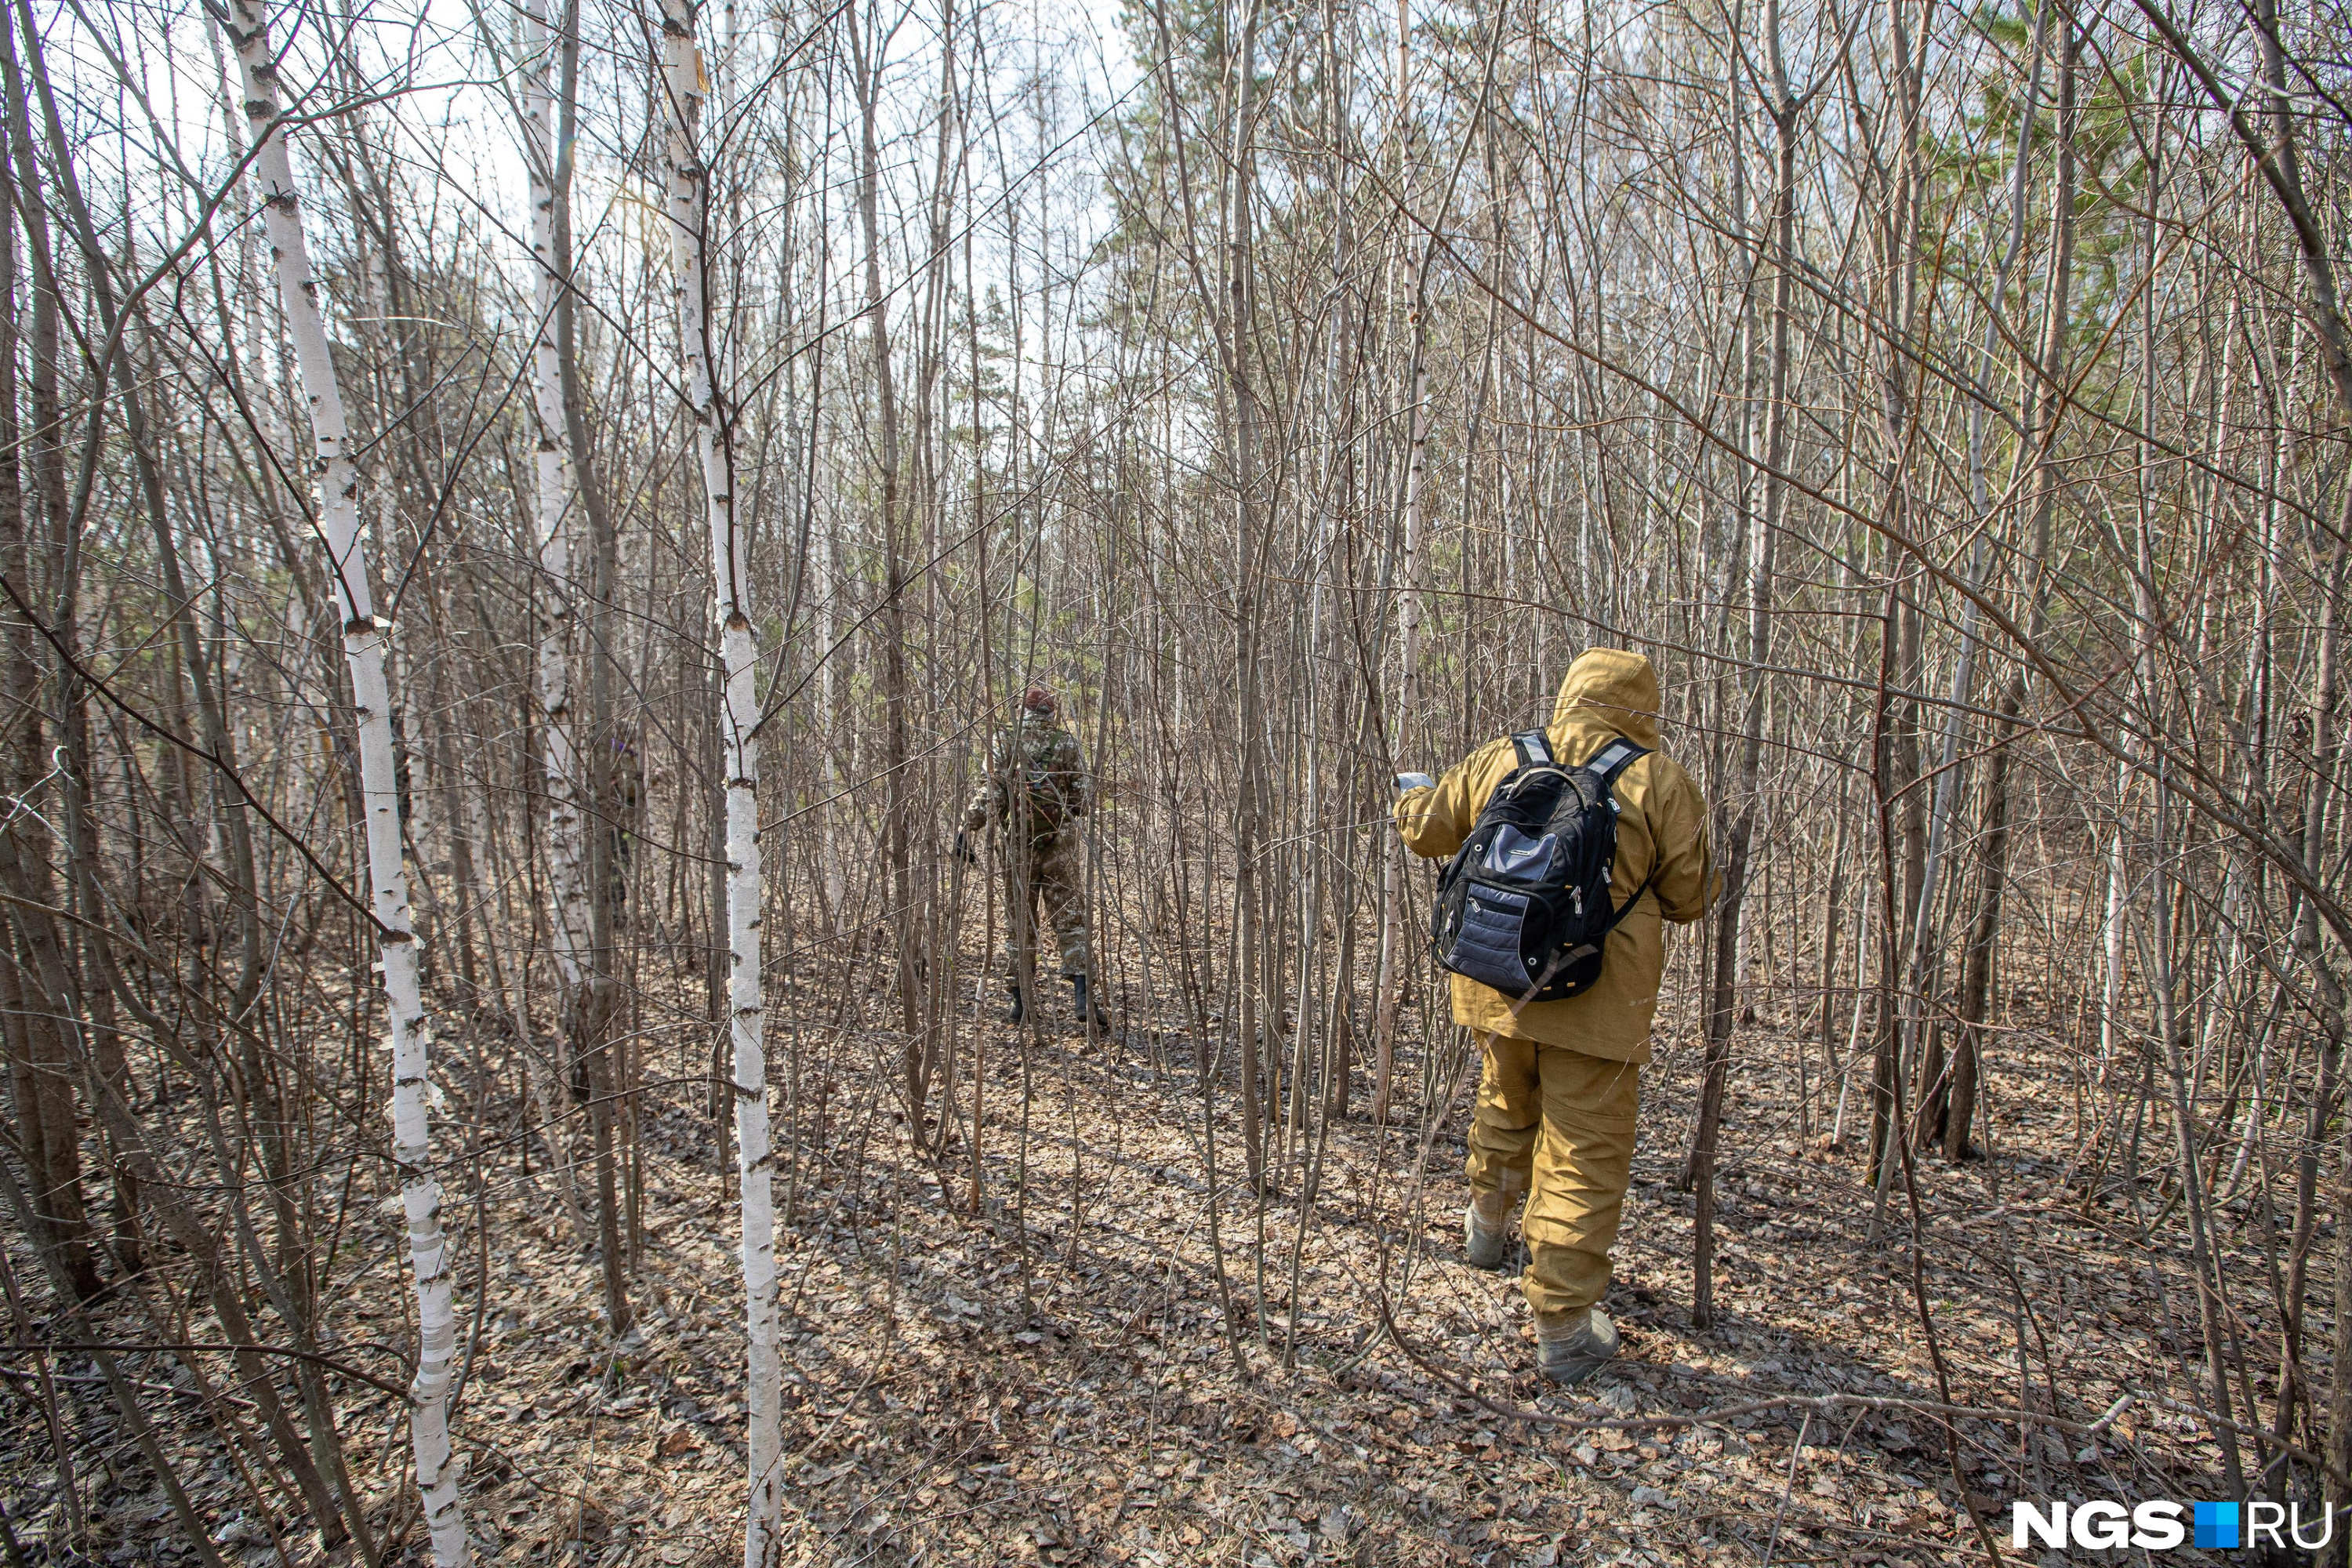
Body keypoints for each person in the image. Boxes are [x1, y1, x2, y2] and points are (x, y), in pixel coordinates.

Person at [1393, 648, 1715, 1385]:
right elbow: (1691, 898)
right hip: (1600, 1000)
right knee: (1582, 1154)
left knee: (1504, 1103)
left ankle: (1485, 1232)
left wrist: (1410, 797)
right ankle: (1564, 1324)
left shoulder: (1501, 757)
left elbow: (1428, 832)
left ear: (1571, 693)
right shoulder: (1658, 779)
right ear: (1643, 708)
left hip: (1497, 978)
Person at [956, 685, 1109, 1028]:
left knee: (1019, 923)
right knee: (1071, 921)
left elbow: (992, 791)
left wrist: (969, 828)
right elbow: (1084, 798)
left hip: (1017, 845)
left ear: (1023, 709)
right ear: (1050, 712)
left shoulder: (1005, 740)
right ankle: (1084, 1000)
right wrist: (1058, 818)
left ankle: (1020, 1005)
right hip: (1061, 847)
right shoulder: (1067, 742)